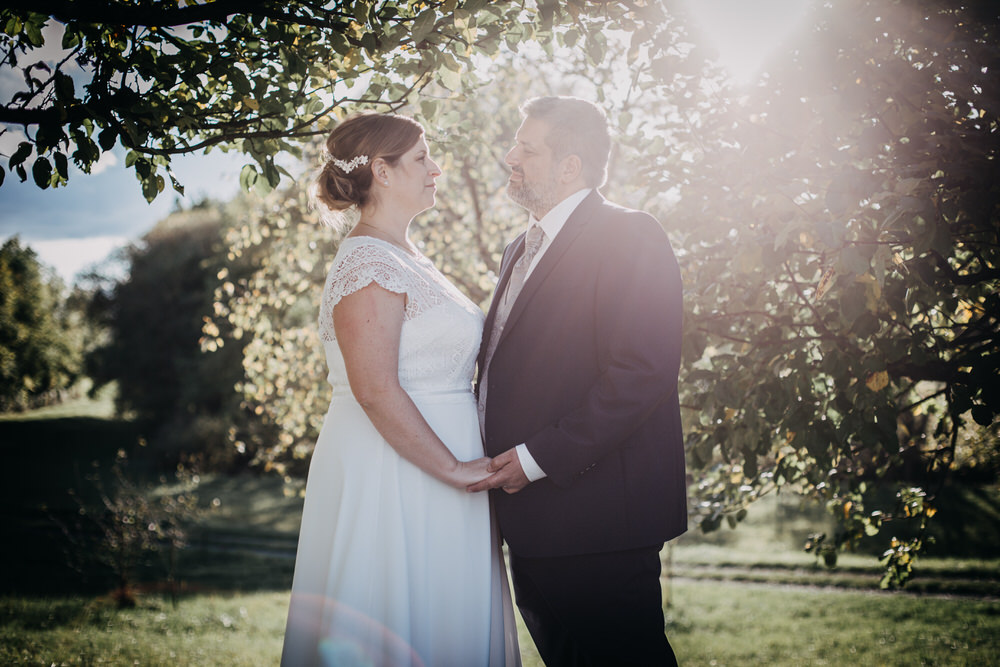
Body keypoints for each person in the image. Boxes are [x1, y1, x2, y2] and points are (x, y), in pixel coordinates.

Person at [281, 113, 520, 666]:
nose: (436, 169)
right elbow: (374, 389)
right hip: (400, 472)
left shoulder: (406, 256)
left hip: (437, 469)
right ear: (381, 172)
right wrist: (454, 468)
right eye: (421, 158)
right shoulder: (367, 260)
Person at [469, 96, 688, 666]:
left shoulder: (629, 235)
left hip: (598, 523)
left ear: (570, 165)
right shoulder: (519, 248)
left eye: (526, 148)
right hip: (531, 521)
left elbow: (643, 372)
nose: (509, 156)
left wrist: (535, 459)